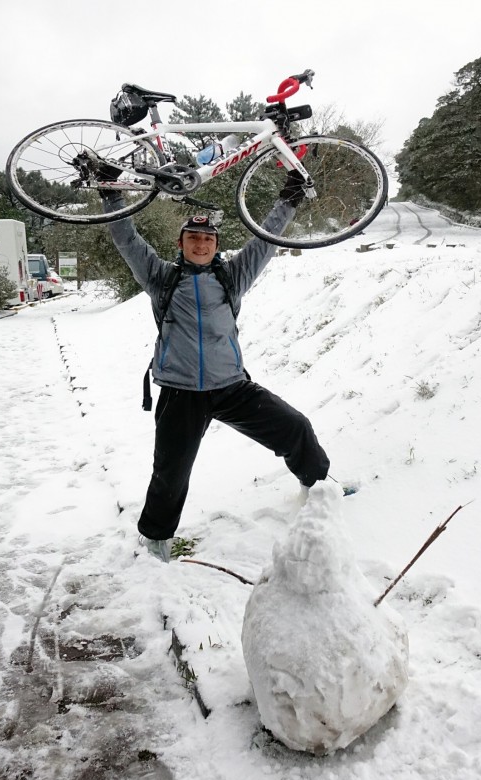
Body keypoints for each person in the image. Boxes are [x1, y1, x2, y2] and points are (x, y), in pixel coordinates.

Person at [102, 173, 330, 562]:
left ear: (216, 246)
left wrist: (289, 199)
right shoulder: (162, 279)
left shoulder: (232, 277)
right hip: (181, 392)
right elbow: (128, 241)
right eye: (194, 238)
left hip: (232, 387)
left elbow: (265, 240)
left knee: (295, 427)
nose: (202, 244)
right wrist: (111, 195)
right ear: (181, 244)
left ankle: (321, 489)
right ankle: (156, 539)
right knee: (171, 472)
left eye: (208, 240)